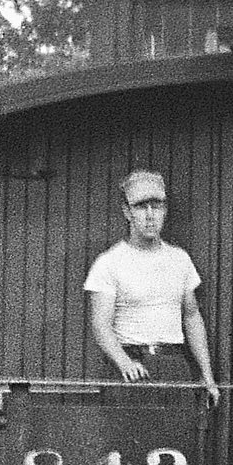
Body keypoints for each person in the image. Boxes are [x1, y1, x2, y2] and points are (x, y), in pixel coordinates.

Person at [85, 170, 220, 404]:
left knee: (176, 440)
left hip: (173, 367)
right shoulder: (109, 262)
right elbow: (101, 324)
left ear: (165, 210)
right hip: (130, 369)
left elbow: (191, 317)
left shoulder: (180, 259)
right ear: (127, 211)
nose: (150, 215)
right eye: (140, 207)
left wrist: (207, 378)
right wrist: (124, 361)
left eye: (156, 206)